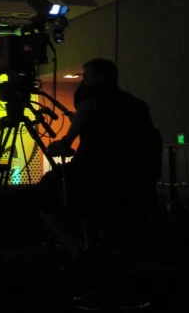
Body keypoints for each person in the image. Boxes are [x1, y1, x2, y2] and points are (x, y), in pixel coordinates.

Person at [35, 58, 162, 298]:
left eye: (86, 75)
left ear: (99, 77)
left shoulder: (90, 93)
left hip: (93, 175)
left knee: (46, 195)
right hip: (132, 185)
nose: (83, 80)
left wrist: (66, 141)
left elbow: (89, 107)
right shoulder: (137, 105)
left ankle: (79, 255)